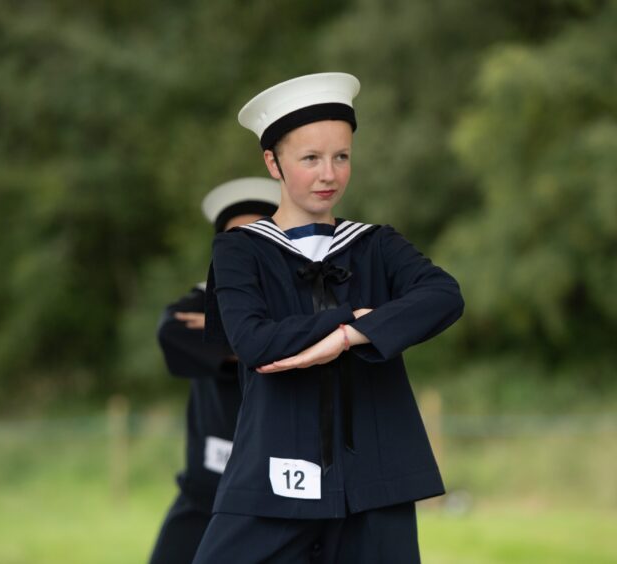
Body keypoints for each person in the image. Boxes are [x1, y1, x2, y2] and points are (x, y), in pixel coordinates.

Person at [192, 72, 464, 563]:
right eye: (310, 159)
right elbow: (254, 342)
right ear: (272, 162)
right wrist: (346, 316)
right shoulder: (239, 251)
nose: (329, 174)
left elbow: (443, 295)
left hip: (376, 482)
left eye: (342, 157)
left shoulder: (377, 244)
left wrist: (347, 336)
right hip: (272, 477)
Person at [148, 178, 280, 564]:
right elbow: (172, 333)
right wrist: (265, 342)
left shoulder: (302, 302)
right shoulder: (202, 295)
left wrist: (223, 336)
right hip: (205, 494)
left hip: (272, 499)